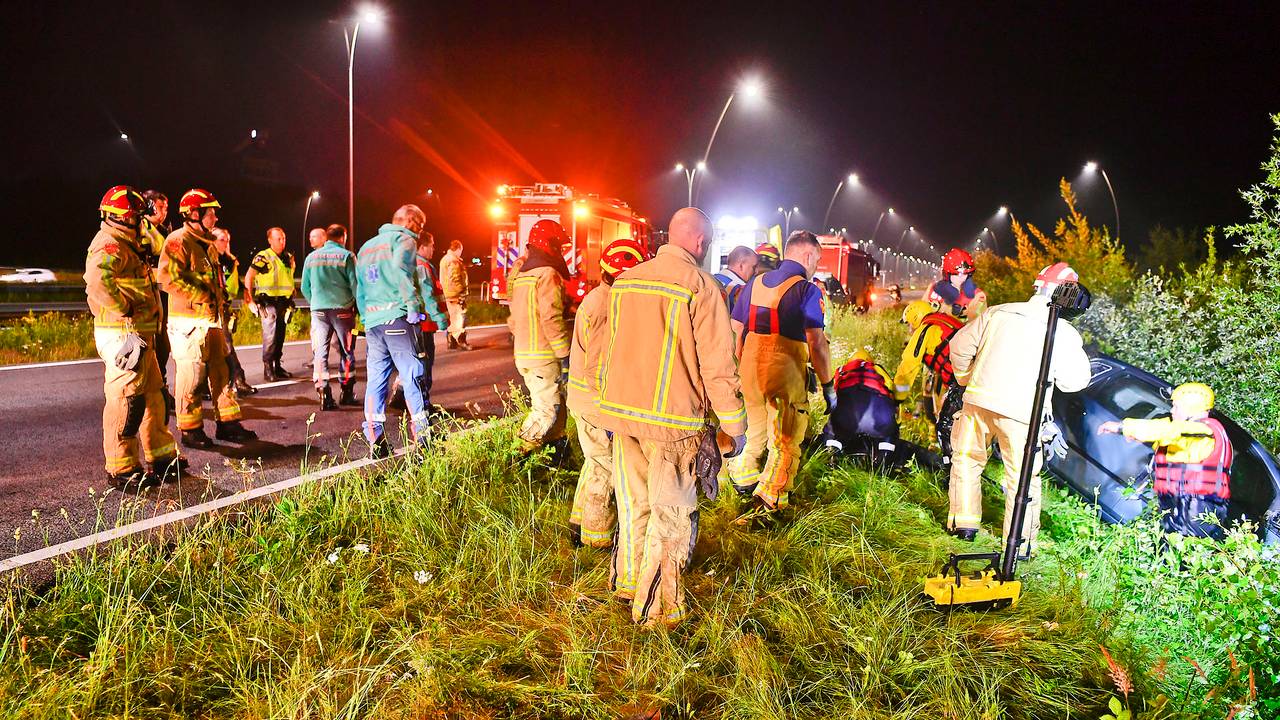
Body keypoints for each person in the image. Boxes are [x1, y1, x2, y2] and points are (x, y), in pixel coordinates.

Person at [592, 207, 746, 627]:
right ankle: (657, 611)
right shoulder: (700, 286)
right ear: (699, 243)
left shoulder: (625, 282)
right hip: (673, 424)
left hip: (623, 417)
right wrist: (735, 428)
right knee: (673, 516)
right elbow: (718, 366)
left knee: (633, 505)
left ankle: (626, 583)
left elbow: (609, 350)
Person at [946, 262, 1091, 552]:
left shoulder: (997, 312)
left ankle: (964, 525)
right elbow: (1075, 382)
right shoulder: (1062, 331)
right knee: (1022, 476)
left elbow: (959, 348)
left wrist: (965, 379)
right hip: (1024, 413)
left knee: (966, 461)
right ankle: (1020, 544)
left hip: (977, 403)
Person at [85, 185, 184, 489]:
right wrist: (125, 308)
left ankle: (161, 456)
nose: (143, 220)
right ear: (124, 217)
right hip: (121, 332)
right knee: (127, 399)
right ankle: (122, 467)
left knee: (154, 395)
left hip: (140, 332)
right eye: (138, 215)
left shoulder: (131, 241)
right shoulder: (109, 244)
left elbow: (160, 246)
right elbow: (97, 284)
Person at [729, 230, 833, 511]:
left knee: (755, 430)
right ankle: (771, 501)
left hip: (749, 368)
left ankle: (743, 477)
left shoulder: (755, 282)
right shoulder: (807, 290)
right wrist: (828, 385)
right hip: (783, 371)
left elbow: (736, 329)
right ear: (808, 255)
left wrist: (739, 365)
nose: (815, 267)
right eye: (817, 260)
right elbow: (817, 342)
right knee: (786, 438)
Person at [566, 238, 650, 548]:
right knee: (606, 467)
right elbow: (597, 369)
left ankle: (579, 521)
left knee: (594, 461)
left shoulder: (602, 297)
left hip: (585, 400)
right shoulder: (606, 305)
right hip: (594, 403)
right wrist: (610, 415)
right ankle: (596, 538)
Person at [159, 188, 257, 448]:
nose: (214, 217)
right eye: (210, 212)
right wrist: (202, 295)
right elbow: (168, 279)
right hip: (188, 323)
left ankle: (228, 423)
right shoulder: (178, 241)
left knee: (222, 371)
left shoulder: (208, 244)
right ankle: (190, 429)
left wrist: (222, 299)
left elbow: (216, 281)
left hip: (212, 321)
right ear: (193, 213)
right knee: (192, 376)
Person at [1098, 383, 1232, 540]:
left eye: (1176, 407)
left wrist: (1123, 427)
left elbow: (1169, 431)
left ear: (1190, 409)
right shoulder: (1192, 433)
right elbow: (1162, 428)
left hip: (1198, 508)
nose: (1172, 411)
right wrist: (1136, 433)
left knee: (1179, 554)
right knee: (1166, 549)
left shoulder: (1206, 430)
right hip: (1183, 504)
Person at [356, 204, 429, 456]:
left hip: (374, 322)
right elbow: (401, 271)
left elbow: (360, 286)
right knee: (412, 375)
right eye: (420, 226)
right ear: (410, 221)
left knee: (376, 379)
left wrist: (365, 316)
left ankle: (375, 437)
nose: (419, 233)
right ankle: (422, 437)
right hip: (398, 317)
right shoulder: (404, 240)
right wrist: (412, 306)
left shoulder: (367, 247)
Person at [508, 219, 572, 455]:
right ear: (550, 244)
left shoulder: (524, 276)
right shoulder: (547, 274)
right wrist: (565, 353)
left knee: (558, 406)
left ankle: (559, 454)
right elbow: (551, 317)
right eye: (559, 246)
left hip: (524, 354)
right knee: (546, 410)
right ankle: (519, 454)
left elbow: (514, 318)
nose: (561, 252)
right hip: (543, 356)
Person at [893, 299, 966, 467]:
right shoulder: (946, 322)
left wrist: (897, 398)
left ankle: (952, 472)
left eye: (910, 324)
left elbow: (908, 367)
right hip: (976, 377)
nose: (910, 329)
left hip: (963, 383)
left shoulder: (925, 329)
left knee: (945, 427)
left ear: (916, 319)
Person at [301, 224, 359, 410]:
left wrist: (315, 302)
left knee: (320, 352)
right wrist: (356, 307)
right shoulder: (347, 256)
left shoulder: (311, 257)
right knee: (346, 351)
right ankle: (347, 392)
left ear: (327, 237)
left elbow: (304, 287)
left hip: (318, 311)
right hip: (342, 310)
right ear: (343, 237)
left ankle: (324, 394)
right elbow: (355, 285)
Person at [140, 190, 176, 416]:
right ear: (151, 206)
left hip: (165, 294)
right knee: (151, 345)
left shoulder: (165, 230)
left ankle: (161, 386)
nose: (165, 212)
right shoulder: (142, 227)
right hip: (149, 295)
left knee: (164, 345)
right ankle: (150, 391)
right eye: (161, 207)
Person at [245, 227, 297, 382]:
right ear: (270, 240)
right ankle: (268, 368)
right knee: (270, 336)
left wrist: (292, 290)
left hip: (283, 301)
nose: (282, 241)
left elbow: (287, 276)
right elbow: (249, 276)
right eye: (278, 238)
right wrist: (249, 299)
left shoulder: (287, 257)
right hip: (268, 301)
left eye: (283, 238)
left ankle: (277, 366)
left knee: (280, 334)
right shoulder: (263, 257)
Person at [211, 227, 255, 396]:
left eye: (227, 240)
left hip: (225, 307)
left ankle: (233, 381)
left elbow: (233, 285)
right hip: (211, 308)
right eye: (222, 239)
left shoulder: (229, 261)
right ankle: (238, 380)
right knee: (223, 347)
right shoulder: (209, 260)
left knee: (224, 346)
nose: (226, 243)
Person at [413, 230, 450, 410]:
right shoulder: (422, 266)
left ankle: (417, 400)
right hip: (424, 325)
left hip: (420, 324)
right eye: (431, 245)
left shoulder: (418, 264)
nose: (434, 249)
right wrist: (440, 320)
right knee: (425, 362)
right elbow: (428, 296)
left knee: (419, 362)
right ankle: (424, 404)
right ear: (422, 246)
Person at [926, 248, 987, 320]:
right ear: (947, 275)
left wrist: (964, 312)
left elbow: (979, 324)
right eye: (956, 275)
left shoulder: (977, 296)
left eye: (965, 274)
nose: (961, 278)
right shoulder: (932, 290)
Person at [440, 239, 471, 350]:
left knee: (453, 319)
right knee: (459, 319)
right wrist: (461, 292)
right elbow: (455, 278)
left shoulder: (445, 259)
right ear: (458, 249)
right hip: (455, 295)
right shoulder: (453, 261)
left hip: (448, 294)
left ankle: (451, 342)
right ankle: (461, 341)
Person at [712, 245, 759, 312]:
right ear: (741, 266)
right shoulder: (740, 290)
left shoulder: (710, 280)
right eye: (754, 267)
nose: (756, 272)